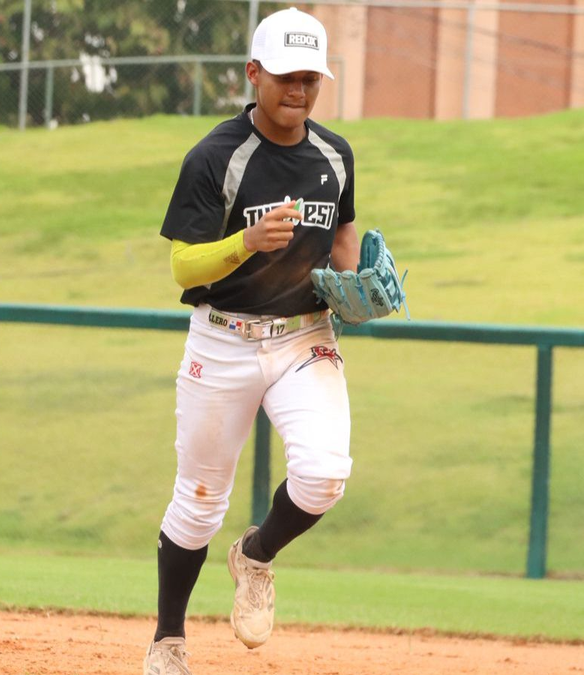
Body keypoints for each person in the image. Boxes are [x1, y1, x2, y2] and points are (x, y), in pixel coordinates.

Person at [144, 8, 357, 675]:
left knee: (324, 473)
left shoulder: (334, 154)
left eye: (310, 80)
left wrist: (362, 285)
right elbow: (183, 265)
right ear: (254, 74)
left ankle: (256, 555)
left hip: (304, 336)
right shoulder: (215, 157)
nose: (298, 90)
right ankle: (169, 637)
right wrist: (244, 243)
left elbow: (345, 240)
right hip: (224, 339)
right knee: (199, 499)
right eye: (287, 77)